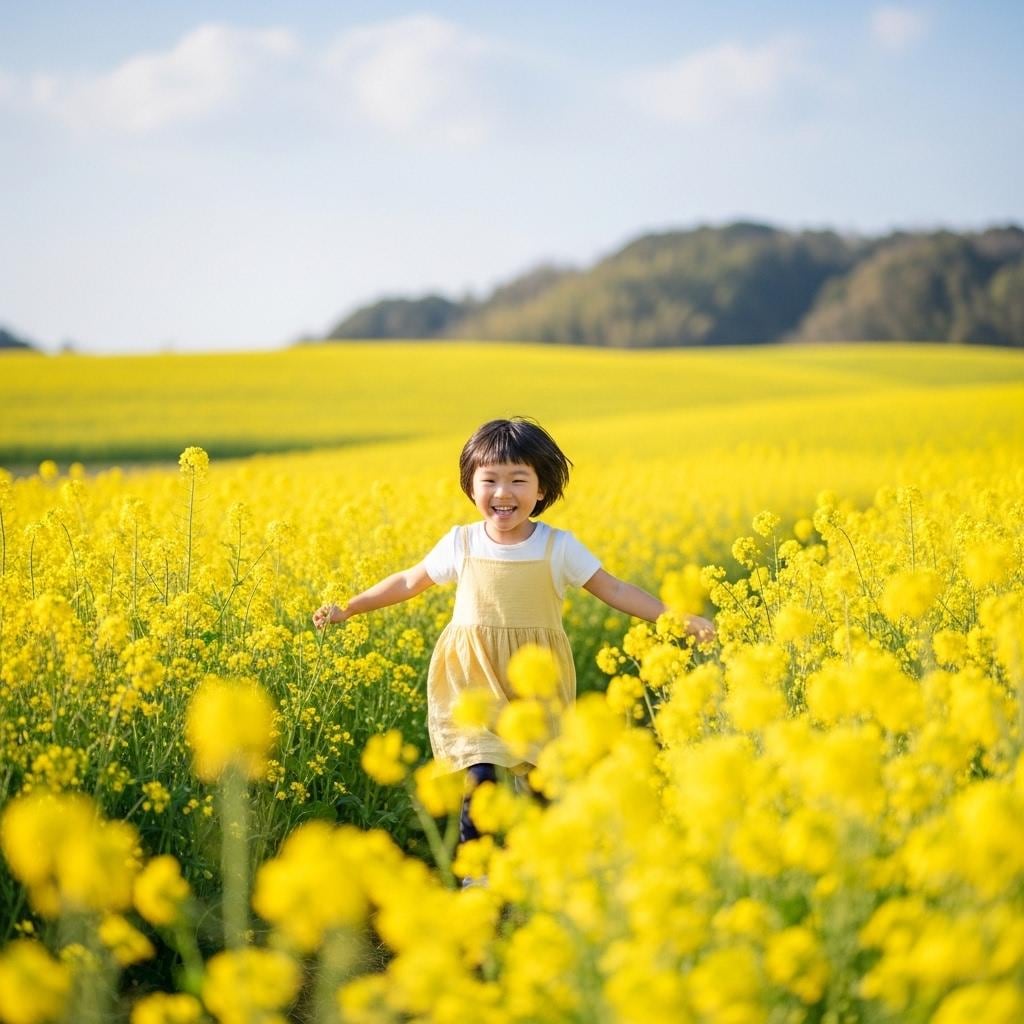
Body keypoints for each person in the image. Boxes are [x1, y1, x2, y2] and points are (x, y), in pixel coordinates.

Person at [312, 417, 715, 867]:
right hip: (472, 678)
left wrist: (679, 619)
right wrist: (349, 608)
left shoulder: (559, 547)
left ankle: (546, 870)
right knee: (479, 777)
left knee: (543, 786)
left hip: (537, 680)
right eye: (490, 480)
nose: (503, 493)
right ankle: (477, 874)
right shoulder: (460, 543)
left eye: (518, 480)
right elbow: (409, 581)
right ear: (471, 487)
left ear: (541, 490)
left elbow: (616, 590)